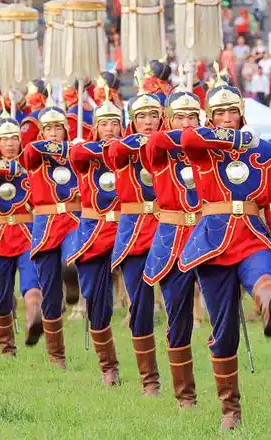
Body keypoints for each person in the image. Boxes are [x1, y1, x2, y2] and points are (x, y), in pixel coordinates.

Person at [179, 68, 271, 430]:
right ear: (210, 117)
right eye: (220, 113)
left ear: (242, 113)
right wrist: (234, 140)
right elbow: (189, 137)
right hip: (212, 243)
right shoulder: (201, 148)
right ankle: (230, 409)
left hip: (252, 235)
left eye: (233, 111)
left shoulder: (263, 152)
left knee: (262, 277)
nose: (227, 118)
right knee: (224, 328)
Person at [143, 80, 203, 408]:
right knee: (178, 319)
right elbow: (155, 141)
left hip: (208, 236)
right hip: (172, 240)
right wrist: (193, 134)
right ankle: (185, 396)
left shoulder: (210, 149)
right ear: (168, 120)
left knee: (221, 315)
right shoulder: (158, 146)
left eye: (192, 117)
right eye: (180, 117)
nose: (186, 123)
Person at [105, 82, 163, 397]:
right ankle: (149, 381)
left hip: (169, 228)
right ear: (132, 121)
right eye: (142, 116)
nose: (148, 121)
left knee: (179, 304)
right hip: (134, 233)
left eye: (154, 115)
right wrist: (144, 140)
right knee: (140, 307)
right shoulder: (123, 146)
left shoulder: (171, 144)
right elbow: (115, 152)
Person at [20, 96, 82, 368]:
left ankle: (72, 277)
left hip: (72, 219)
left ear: (66, 130)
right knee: (49, 291)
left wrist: (78, 148)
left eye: (59, 128)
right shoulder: (35, 153)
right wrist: (61, 147)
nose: (54, 133)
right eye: (49, 129)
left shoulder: (75, 152)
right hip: (45, 225)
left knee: (70, 258)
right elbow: (29, 153)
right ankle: (56, 355)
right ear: (42, 132)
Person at [67, 91, 124, 387]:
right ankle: (108, 365)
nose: (110, 129)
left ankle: (149, 371)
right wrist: (82, 145)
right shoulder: (85, 152)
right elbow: (76, 156)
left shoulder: (129, 151)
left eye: (115, 123)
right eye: (104, 124)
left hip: (127, 227)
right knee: (94, 296)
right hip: (93, 230)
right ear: (95, 127)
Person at [0, 110, 39, 356]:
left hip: (27, 233)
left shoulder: (31, 164)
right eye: (5, 139)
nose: (10, 143)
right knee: (1, 297)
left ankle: (33, 319)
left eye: (14, 138)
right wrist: (13, 167)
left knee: (32, 286)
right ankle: (7, 348)